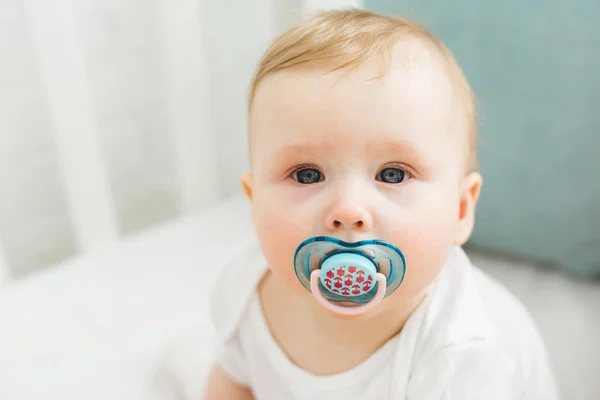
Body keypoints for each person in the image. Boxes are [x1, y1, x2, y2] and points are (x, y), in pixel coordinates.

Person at [204, 9, 559, 400]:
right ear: (255, 205)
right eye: (307, 174)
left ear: (460, 210)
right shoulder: (246, 290)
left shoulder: (464, 356)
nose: (348, 210)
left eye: (392, 174)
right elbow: (233, 380)